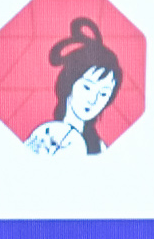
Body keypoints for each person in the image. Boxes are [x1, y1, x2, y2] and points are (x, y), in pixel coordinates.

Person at [24, 16, 123, 158]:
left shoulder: (101, 149)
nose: (93, 100)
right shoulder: (43, 135)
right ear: (68, 84)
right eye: (87, 87)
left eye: (103, 94)